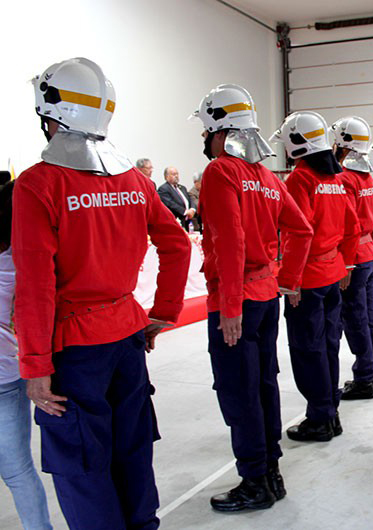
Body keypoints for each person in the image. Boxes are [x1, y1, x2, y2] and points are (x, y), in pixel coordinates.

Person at [16, 57, 191, 529]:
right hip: (127, 337)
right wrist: (164, 311)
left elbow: (35, 284)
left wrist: (34, 366)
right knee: (132, 450)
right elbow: (176, 244)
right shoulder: (134, 181)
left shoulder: (38, 184)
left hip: (74, 350)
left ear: (51, 115)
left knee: (82, 465)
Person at [192, 84, 313, 512]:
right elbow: (301, 230)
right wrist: (289, 279)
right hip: (265, 295)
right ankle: (271, 473)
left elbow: (229, 241)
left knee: (238, 393)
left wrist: (228, 307)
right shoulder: (267, 177)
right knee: (263, 384)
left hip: (237, 302)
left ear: (219, 132)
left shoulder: (221, 172)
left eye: (205, 133)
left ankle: (254, 481)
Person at [271, 111, 359, 442]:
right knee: (329, 345)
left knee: (308, 350)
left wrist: (290, 279)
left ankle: (320, 417)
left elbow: (298, 233)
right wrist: (346, 265)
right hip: (332, 272)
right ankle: (330, 411)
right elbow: (353, 227)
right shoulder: (334, 179)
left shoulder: (300, 179)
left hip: (308, 278)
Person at [0, 181, 53, 530]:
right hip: (9, 372)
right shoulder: (22, 260)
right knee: (18, 471)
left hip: (8, 376)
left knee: (18, 471)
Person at [331, 116, 373, 400]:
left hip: (354, 256)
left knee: (355, 318)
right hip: (370, 252)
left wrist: (346, 262)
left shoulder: (344, 178)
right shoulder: (368, 179)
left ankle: (365, 377)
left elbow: (347, 225)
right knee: (368, 313)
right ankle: (370, 367)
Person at [158, 166, 197, 231]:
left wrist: (192, 209)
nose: (176, 176)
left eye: (177, 174)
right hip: (176, 220)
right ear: (166, 176)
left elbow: (190, 199)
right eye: (173, 174)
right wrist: (185, 212)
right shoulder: (163, 189)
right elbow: (170, 204)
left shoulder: (182, 188)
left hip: (188, 220)